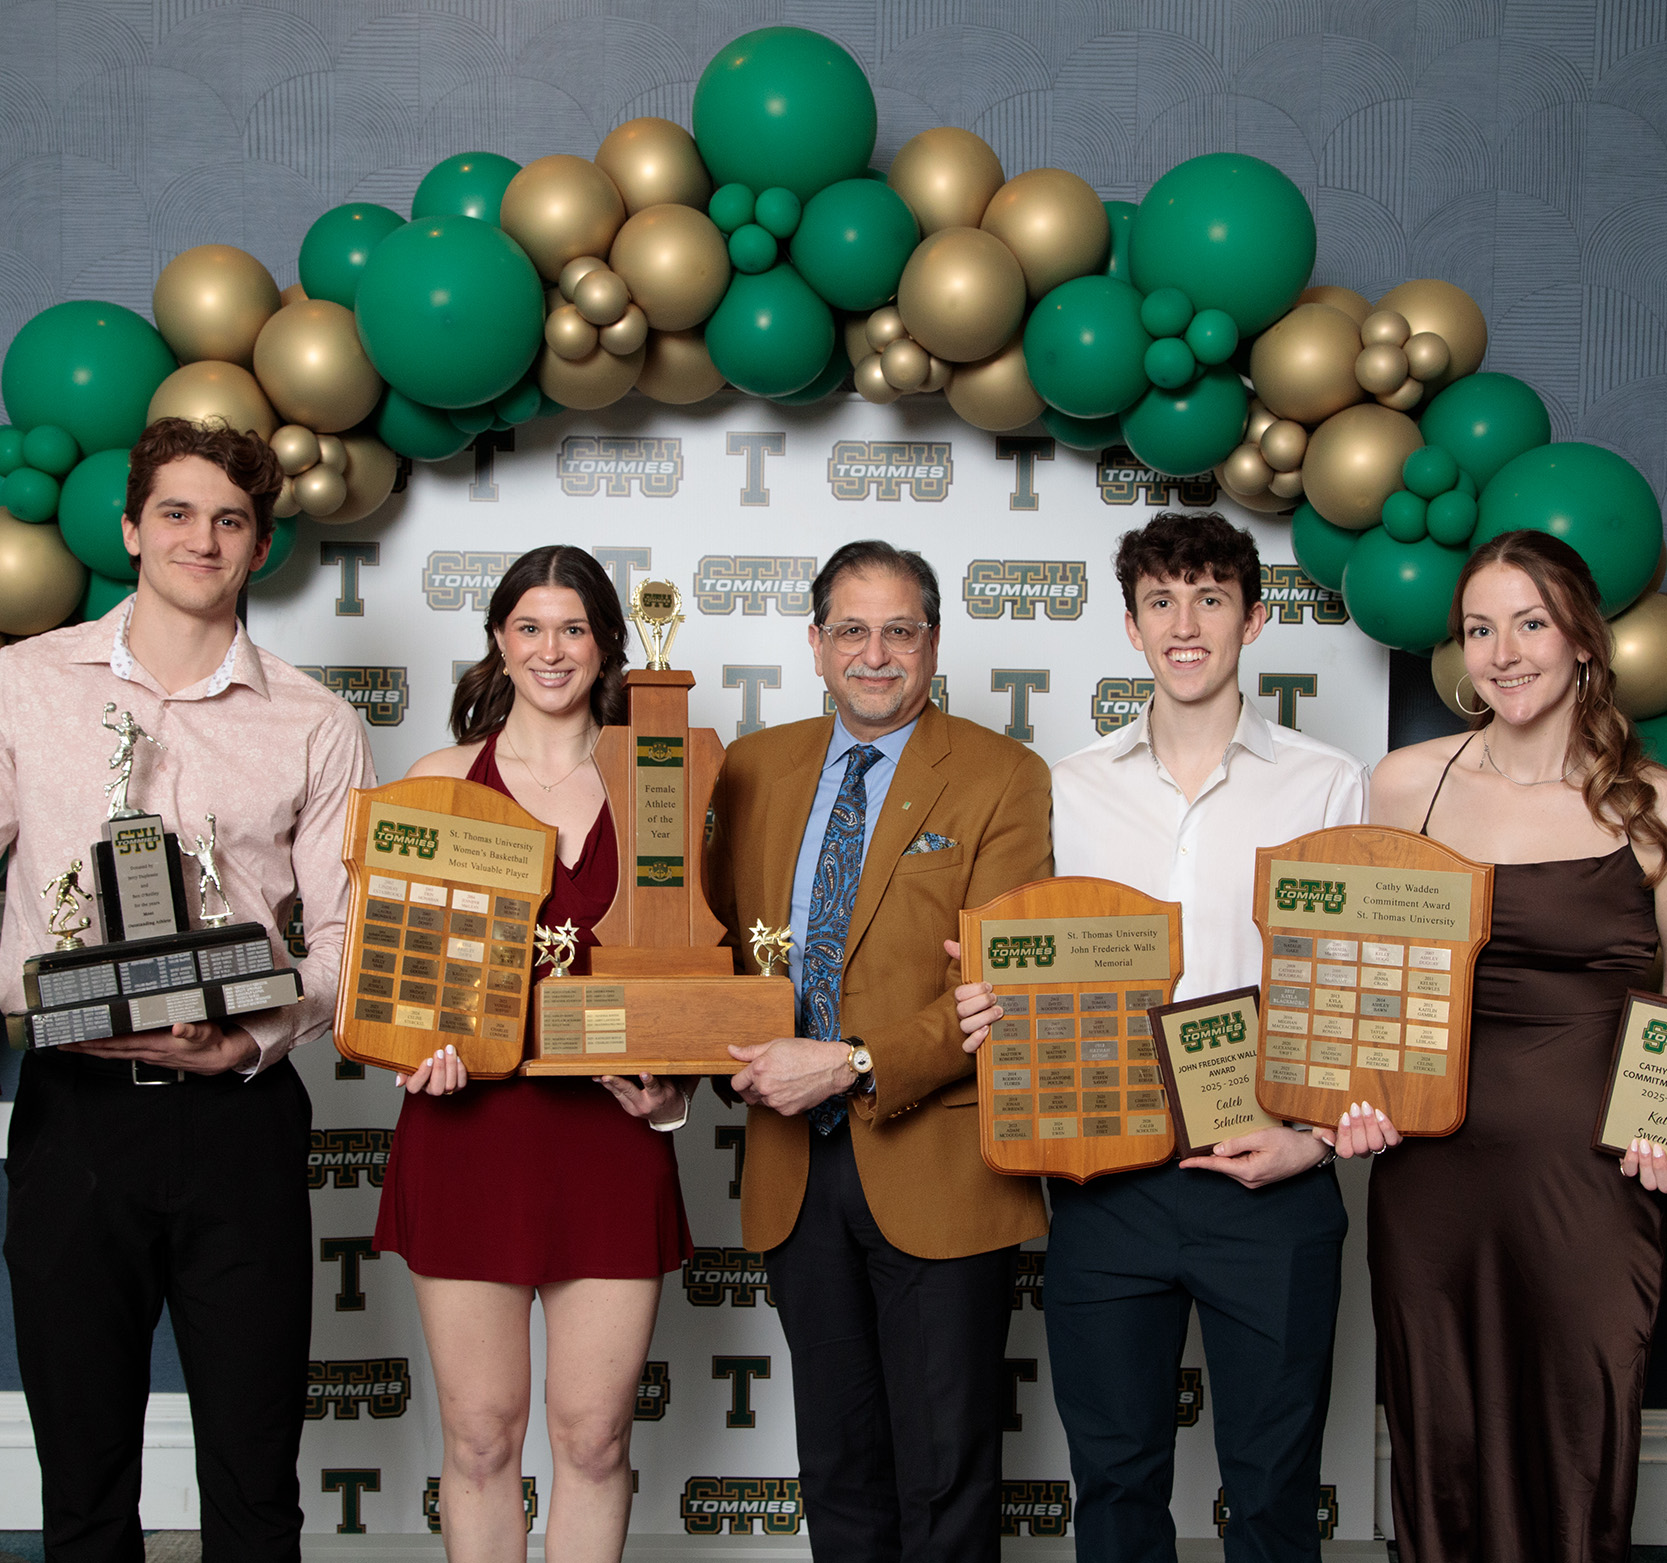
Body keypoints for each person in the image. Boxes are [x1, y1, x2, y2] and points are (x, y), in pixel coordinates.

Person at [957, 512, 1368, 1562]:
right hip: (1107, 1179)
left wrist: (1313, 1142)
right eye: (1159, 602)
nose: (1184, 624)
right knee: (1114, 1484)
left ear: (1255, 619)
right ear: (1131, 628)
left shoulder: (1326, 782)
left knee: (1273, 1491)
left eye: (1209, 598)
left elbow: (1350, 990)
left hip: (1271, 1178)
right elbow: (1024, 967)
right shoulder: (1064, 787)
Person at [1, 416, 376, 1562]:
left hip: (242, 1125)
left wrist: (255, 1037)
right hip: (73, 1115)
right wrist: (28, 992)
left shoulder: (317, 721)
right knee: (85, 1480)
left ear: (259, 546)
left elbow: (349, 942)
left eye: (228, 520)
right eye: (176, 512)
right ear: (128, 528)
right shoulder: (20, 685)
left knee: (256, 1482)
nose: (199, 539)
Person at [703, 539, 1051, 1562]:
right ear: (814, 644)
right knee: (838, 1463)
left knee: (944, 1469)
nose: (874, 653)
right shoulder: (752, 769)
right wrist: (673, 1058)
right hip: (790, 1167)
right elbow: (709, 949)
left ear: (932, 643)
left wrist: (851, 1061)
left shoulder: (1001, 776)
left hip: (935, 1163)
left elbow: (1001, 990)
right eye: (850, 630)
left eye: (899, 630)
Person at [372, 545, 693, 1563]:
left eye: (572, 628)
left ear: (604, 645)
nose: (550, 650)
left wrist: (670, 1088)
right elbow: (395, 971)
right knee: (477, 1438)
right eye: (528, 627)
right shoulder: (433, 781)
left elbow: (690, 962)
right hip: (468, 1132)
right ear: (498, 643)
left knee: (593, 1438)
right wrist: (406, 1048)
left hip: (606, 1139)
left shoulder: (660, 780)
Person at [1358, 528, 1667, 1563]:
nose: (1503, 652)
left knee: (1579, 1425)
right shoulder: (1404, 787)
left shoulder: (1652, 806)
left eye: (1528, 622)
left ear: (1581, 636)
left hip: (1589, 1175)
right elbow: (1366, 983)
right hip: (1431, 1172)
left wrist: (1660, 1115)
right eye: (1478, 628)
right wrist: (1348, 1095)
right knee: (1440, 1426)